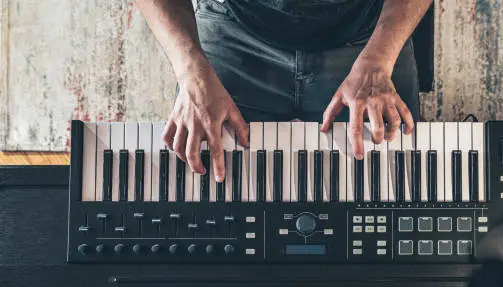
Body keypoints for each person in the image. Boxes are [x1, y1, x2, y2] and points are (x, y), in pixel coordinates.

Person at [134, 0, 432, 181]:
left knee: (388, 199)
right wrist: (191, 73)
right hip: (233, 30)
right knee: (208, 199)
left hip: (365, 36)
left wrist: (379, 60)